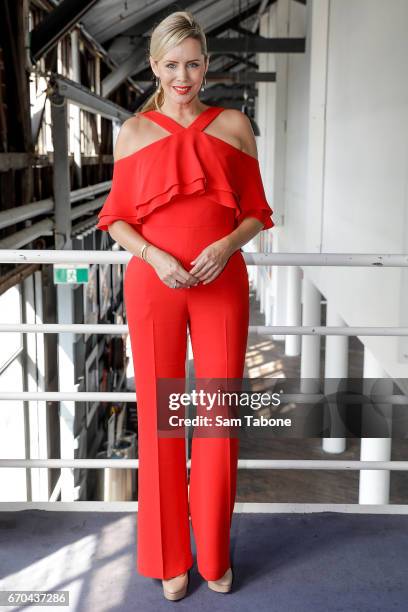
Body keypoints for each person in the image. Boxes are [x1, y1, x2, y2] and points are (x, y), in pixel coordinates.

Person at [96, 10, 274, 601]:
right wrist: (153, 255)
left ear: (207, 66)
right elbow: (115, 219)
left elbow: (255, 211)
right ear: (154, 67)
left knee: (218, 421)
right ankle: (172, 557)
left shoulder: (233, 126)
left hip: (221, 280)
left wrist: (226, 245)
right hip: (155, 284)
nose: (183, 75)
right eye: (171, 65)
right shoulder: (133, 133)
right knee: (162, 423)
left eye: (193, 63)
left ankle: (215, 554)